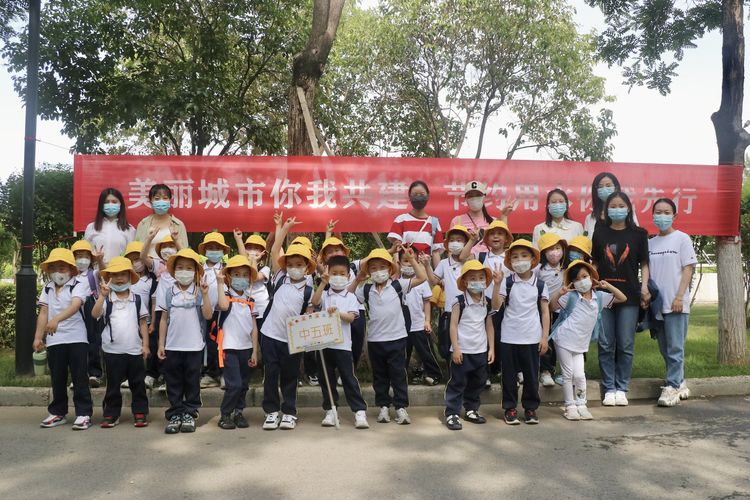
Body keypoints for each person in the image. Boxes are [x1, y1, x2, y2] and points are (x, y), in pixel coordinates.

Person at [353, 247, 427, 425]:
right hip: (375, 341)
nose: (378, 271)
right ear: (368, 272)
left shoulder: (398, 285)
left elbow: (422, 278)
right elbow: (347, 294)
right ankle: (383, 407)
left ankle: (401, 408)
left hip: (397, 338)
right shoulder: (365, 289)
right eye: (373, 268)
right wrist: (357, 279)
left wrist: (411, 258)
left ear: (390, 269)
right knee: (380, 376)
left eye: (382, 267)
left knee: (398, 375)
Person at [591, 191, 650, 407]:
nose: (617, 209)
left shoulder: (639, 234)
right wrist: (591, 283)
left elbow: (644, 264)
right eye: (612, 206)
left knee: (625, 343)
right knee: (606, 343)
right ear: (606, 210)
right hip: (604, 295)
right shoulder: (599, 233)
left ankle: (621, 387)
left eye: (621, 205)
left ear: (628, 208)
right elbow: (595, 262)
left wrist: (644, 287)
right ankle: (609, 388)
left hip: (630, 296)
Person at [549, 260, 625, 420]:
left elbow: (622, 298)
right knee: (568, 374)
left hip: (580, 343)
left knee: (580, 375)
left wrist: (607, 286)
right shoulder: (570, 297)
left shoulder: (599, 296)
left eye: (584, 276)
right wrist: (559, 293)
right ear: (572, 283)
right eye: (576, 279)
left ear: (592, 278)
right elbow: (552, 306)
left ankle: (581, 404)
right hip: (563, 339)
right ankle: (570, 406)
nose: (581, 281)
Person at [260, 214, 315, 431]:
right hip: (270, 335)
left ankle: (289, 412)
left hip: (293, 340)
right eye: (290, 263)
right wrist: (284, 228)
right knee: (271, 374)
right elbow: (275, 250)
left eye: (299, 264)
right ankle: (272, 411)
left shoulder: (309, 289)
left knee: (290, 376)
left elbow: (309, 313)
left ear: (306, 267)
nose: (294, 267)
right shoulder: (280, 277)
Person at [34, 248, 94, 430]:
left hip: (77, 338)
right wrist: (38, 337)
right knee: (57, 378)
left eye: (62, 267)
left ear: (70, 269)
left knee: (79, 377)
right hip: (55, 340)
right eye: (54, 268)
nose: (58, 272)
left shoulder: (79, 284)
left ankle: (84, 414)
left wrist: (57, 319)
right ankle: (58, 412)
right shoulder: (47, 287)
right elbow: (43, 312)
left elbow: (76, 305)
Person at [157, 248, 214, 434]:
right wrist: (160, 344)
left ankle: (189, 412)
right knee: (173, 382)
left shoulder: (199, 291)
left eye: (189, 268)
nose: (184, 271)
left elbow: (207, 315)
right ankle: (175, 413)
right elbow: (164, 319)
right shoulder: (168, 291)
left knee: (192, 382)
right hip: (172, 345)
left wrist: (205, 295)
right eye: (180, 267)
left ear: (196, 272)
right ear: (173, 270)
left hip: (194, 346)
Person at [648, 198, 697, 407]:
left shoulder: (682, 239)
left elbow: (688, 268)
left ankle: (672, 386)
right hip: (657, 305)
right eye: (658, 212)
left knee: (676, 347)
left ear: (674, 215)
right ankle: (680, 382)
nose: (662, 215)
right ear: (652, 215)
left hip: (676, 302)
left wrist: (679, 296)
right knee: (664, 348)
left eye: (666, 212)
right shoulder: (650, 243)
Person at [311, 255, 369, 429]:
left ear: (348, 275)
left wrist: (338, 313)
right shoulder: (325, 293)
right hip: (324, 345)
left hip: (343, 346)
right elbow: (314, 302)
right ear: (328, 272)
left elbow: (351, 318)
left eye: (342, 273)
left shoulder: (350, 297)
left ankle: (359, 411)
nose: (338, 277)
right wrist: (322, 283)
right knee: (326, 379)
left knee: (348, 378)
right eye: (334, 273)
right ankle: (330, 410)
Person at [91, 257, 150, 428]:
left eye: (123, 274)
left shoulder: (137, 299)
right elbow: (95, 314)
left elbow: (143, 323)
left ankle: (140, 412)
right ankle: (111, 413)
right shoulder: (107, 299)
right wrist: (101, 297)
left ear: (130, 277)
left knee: (137, 383)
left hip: (134, 350)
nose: (119, 278)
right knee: (113, 384)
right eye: (115, 275)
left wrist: (145, 345)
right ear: (108, 278)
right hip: (112, 350)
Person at [497, 239, 550, 425]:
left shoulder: (540, 285)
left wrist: (544, 337)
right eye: (515, 257)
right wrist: (496, 285)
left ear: (533, 259)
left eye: (524, 256)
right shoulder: (506, 282)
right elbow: (496, 306)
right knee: (509, 376)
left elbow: (545, 312)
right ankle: (510, 408)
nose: (520, 260)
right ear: (510, 262)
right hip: (509, 336)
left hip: (532, 337)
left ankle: (530, 408)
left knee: (531, 375)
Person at [444, 260, 502, 431]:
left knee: (478, 382)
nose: (478, 281)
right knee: (457, 382)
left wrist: (491, 348)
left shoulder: (488, 301)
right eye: (473, 278)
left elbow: (490, 324)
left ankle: (471, 409)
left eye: (481, 277)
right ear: (465, 282)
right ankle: (452, 413)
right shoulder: (459, 301)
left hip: (480, 350)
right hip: (462, 350)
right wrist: (456, 348)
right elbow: (453, 325)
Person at [214, 255, 259, 430]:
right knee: (234, 384)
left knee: (244, 384)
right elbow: (224, 306)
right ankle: (225, 414)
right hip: (229, 348)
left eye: (244, 275)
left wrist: (255, 351)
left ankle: (238, 412)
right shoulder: (225, 295)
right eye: (236, 274)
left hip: (246, 348)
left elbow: (253, 328)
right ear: (229, 277)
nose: (241, 278)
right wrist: (219, 283)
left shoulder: (250, 301)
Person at [427, 225, 475, 362]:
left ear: (466, 243)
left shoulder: (471, 260)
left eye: (459, 240)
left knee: (468, 343)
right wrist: (426, 265)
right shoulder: (443, 263)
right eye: (452, 240)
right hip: (449, 311)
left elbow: (463, 256)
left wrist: (472, 241)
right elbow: (433, 280)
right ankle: (452, 375)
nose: (455, 243)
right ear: (447, 244)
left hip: (468, 311)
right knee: (448, 345)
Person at [318, 236, 367, 368]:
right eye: (329, 252)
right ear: (324, 257)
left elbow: (370, 259)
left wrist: (391, 251)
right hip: (332, 312)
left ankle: (351, 368)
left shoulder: (353, 266)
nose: (334, 253)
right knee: (333, 343)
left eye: (337, 250)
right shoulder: (325, 273)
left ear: (344, 252)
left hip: (354, 309)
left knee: (356, 341)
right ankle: (332, 370)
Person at [400, 250, 442, 385]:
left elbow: (427, 302)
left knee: (426, 352)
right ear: (399, 262)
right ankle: (401, 377)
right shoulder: (397, 282)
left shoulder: (422, 281)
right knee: (402, 354)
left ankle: (434, 375)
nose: (409, 264)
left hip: (419, 324)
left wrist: (427, 321)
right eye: (405, 260)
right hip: (401, 327)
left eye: (412, 260)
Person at [123, 241, 159, 389]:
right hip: (129, 322)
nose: (135, 263)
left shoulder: (152, 281)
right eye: (131, 261)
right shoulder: (126, 281)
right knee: (130, 349)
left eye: (137, 259)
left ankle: (151, 375)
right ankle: (130, 376)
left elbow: (154, 302)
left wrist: (153, 323)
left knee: (151, 347)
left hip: (147, 321)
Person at [197, 232, 230, 389]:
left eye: (217, 248)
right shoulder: (199, 270)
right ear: (204, 251)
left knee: (220, 343)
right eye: (210, 248)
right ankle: (209, 373)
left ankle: (223, 373)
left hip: (222, 313)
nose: (214, 251)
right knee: (206, 343)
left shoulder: (226, 269)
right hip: (203, 311)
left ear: (223, 251)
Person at [535, 232, 568, 387]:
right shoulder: (539, 269)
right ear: (543, 252)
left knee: (560, 341)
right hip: (543, 310)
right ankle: (545, 371)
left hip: (562, 311)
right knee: (545, 339)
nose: (555, 252)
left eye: (557, 248)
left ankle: (562, 370)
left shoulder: (566, 268)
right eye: (550, 249)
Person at [387, 180, 445, 267]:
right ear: (409, 197)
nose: (418, 197)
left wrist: (437, 278)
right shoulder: (401, 220)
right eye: (415, 195)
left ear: (428, 196)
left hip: (425, 271)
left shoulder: (434, 223)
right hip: (405, 270)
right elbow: (396, 249)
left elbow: (436, 254)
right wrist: (397, 272)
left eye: (422, 194)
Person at [71, 239, 103, 388]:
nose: (81, 260)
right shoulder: (69, 276)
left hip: (91, 310)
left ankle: (94, 373)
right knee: (77, 344)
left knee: (93, 342)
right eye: (77, 256)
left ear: (90, 258)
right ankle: (78, 375)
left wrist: (100, 260)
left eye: (85, 256)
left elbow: (104, 273)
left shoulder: (93, 274)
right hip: (74, 312)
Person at [449, 180, 513, 254]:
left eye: (478, 195)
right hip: (465, 263)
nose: (474, 198)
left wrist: (504, 215)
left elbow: (502, 243)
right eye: (470, 196)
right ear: (465, 199)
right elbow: (451, 250)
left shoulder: (494, 221)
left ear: (484, 197)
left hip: (487, 264)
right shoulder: (457, 221)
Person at [84, 187, 136, 268]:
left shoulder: (129, 229)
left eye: (114, 202)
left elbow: (132, 256)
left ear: (120, 204)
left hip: (120, 274)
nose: (110, 204)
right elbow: (86, 253)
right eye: (106, 202)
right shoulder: (91, 227)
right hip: (96, 273)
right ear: (101, 205)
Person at [134, 184, 189, 259]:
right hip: (148, 267)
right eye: (157, 198)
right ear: (151, 201)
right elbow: (136, 250)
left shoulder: (178, 224)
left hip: (172, 267)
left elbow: (185, 252)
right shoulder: (143, 224)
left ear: (170, 200)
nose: (161, 201)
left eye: (165, 198)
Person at [233, 232, 271, 329]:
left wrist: (253, 260)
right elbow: (243, 257)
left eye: (256, 248)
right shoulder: (242, 267)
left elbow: (254, 277)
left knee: (260, 338)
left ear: (263, 253)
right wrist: (239, 239)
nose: (252, 251)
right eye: (249, 248)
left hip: (261, 308)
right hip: (244, 306)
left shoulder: (265, 269)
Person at [584, 172, 639, 238]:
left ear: (616, 188)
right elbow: (587, 242)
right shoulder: (590, 218)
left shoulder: (625, 212)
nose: (604, 189)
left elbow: (636, 236)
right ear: (596, 191)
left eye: (608, 185)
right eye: (600, 186)